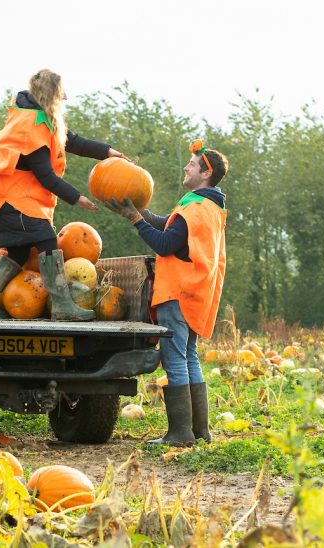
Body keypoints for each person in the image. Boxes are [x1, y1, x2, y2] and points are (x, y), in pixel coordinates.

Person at [0, 69, 126, 321]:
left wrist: (108, 152)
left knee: (19, 253)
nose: (66, 97)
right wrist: (78, 198)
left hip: (15, 198)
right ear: (52, 95)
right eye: (62, 92)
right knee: (46, 239)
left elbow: (73, 141)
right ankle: (62, 305)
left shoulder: (41, 120)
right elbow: (45, 175)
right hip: (10, 199)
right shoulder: (30, 126)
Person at [105, 139, 229, 446]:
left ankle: (179, 434)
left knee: (174, 359)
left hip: (178, 292)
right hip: (197, 293)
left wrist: (135, 220)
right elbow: (169, 227)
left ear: (206, 173)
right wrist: (139, 212)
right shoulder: (207, 206)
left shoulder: (196, 208)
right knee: (189, 357)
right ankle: (199, 431)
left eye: (192, 165)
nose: (186, 167)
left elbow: (165, 244)